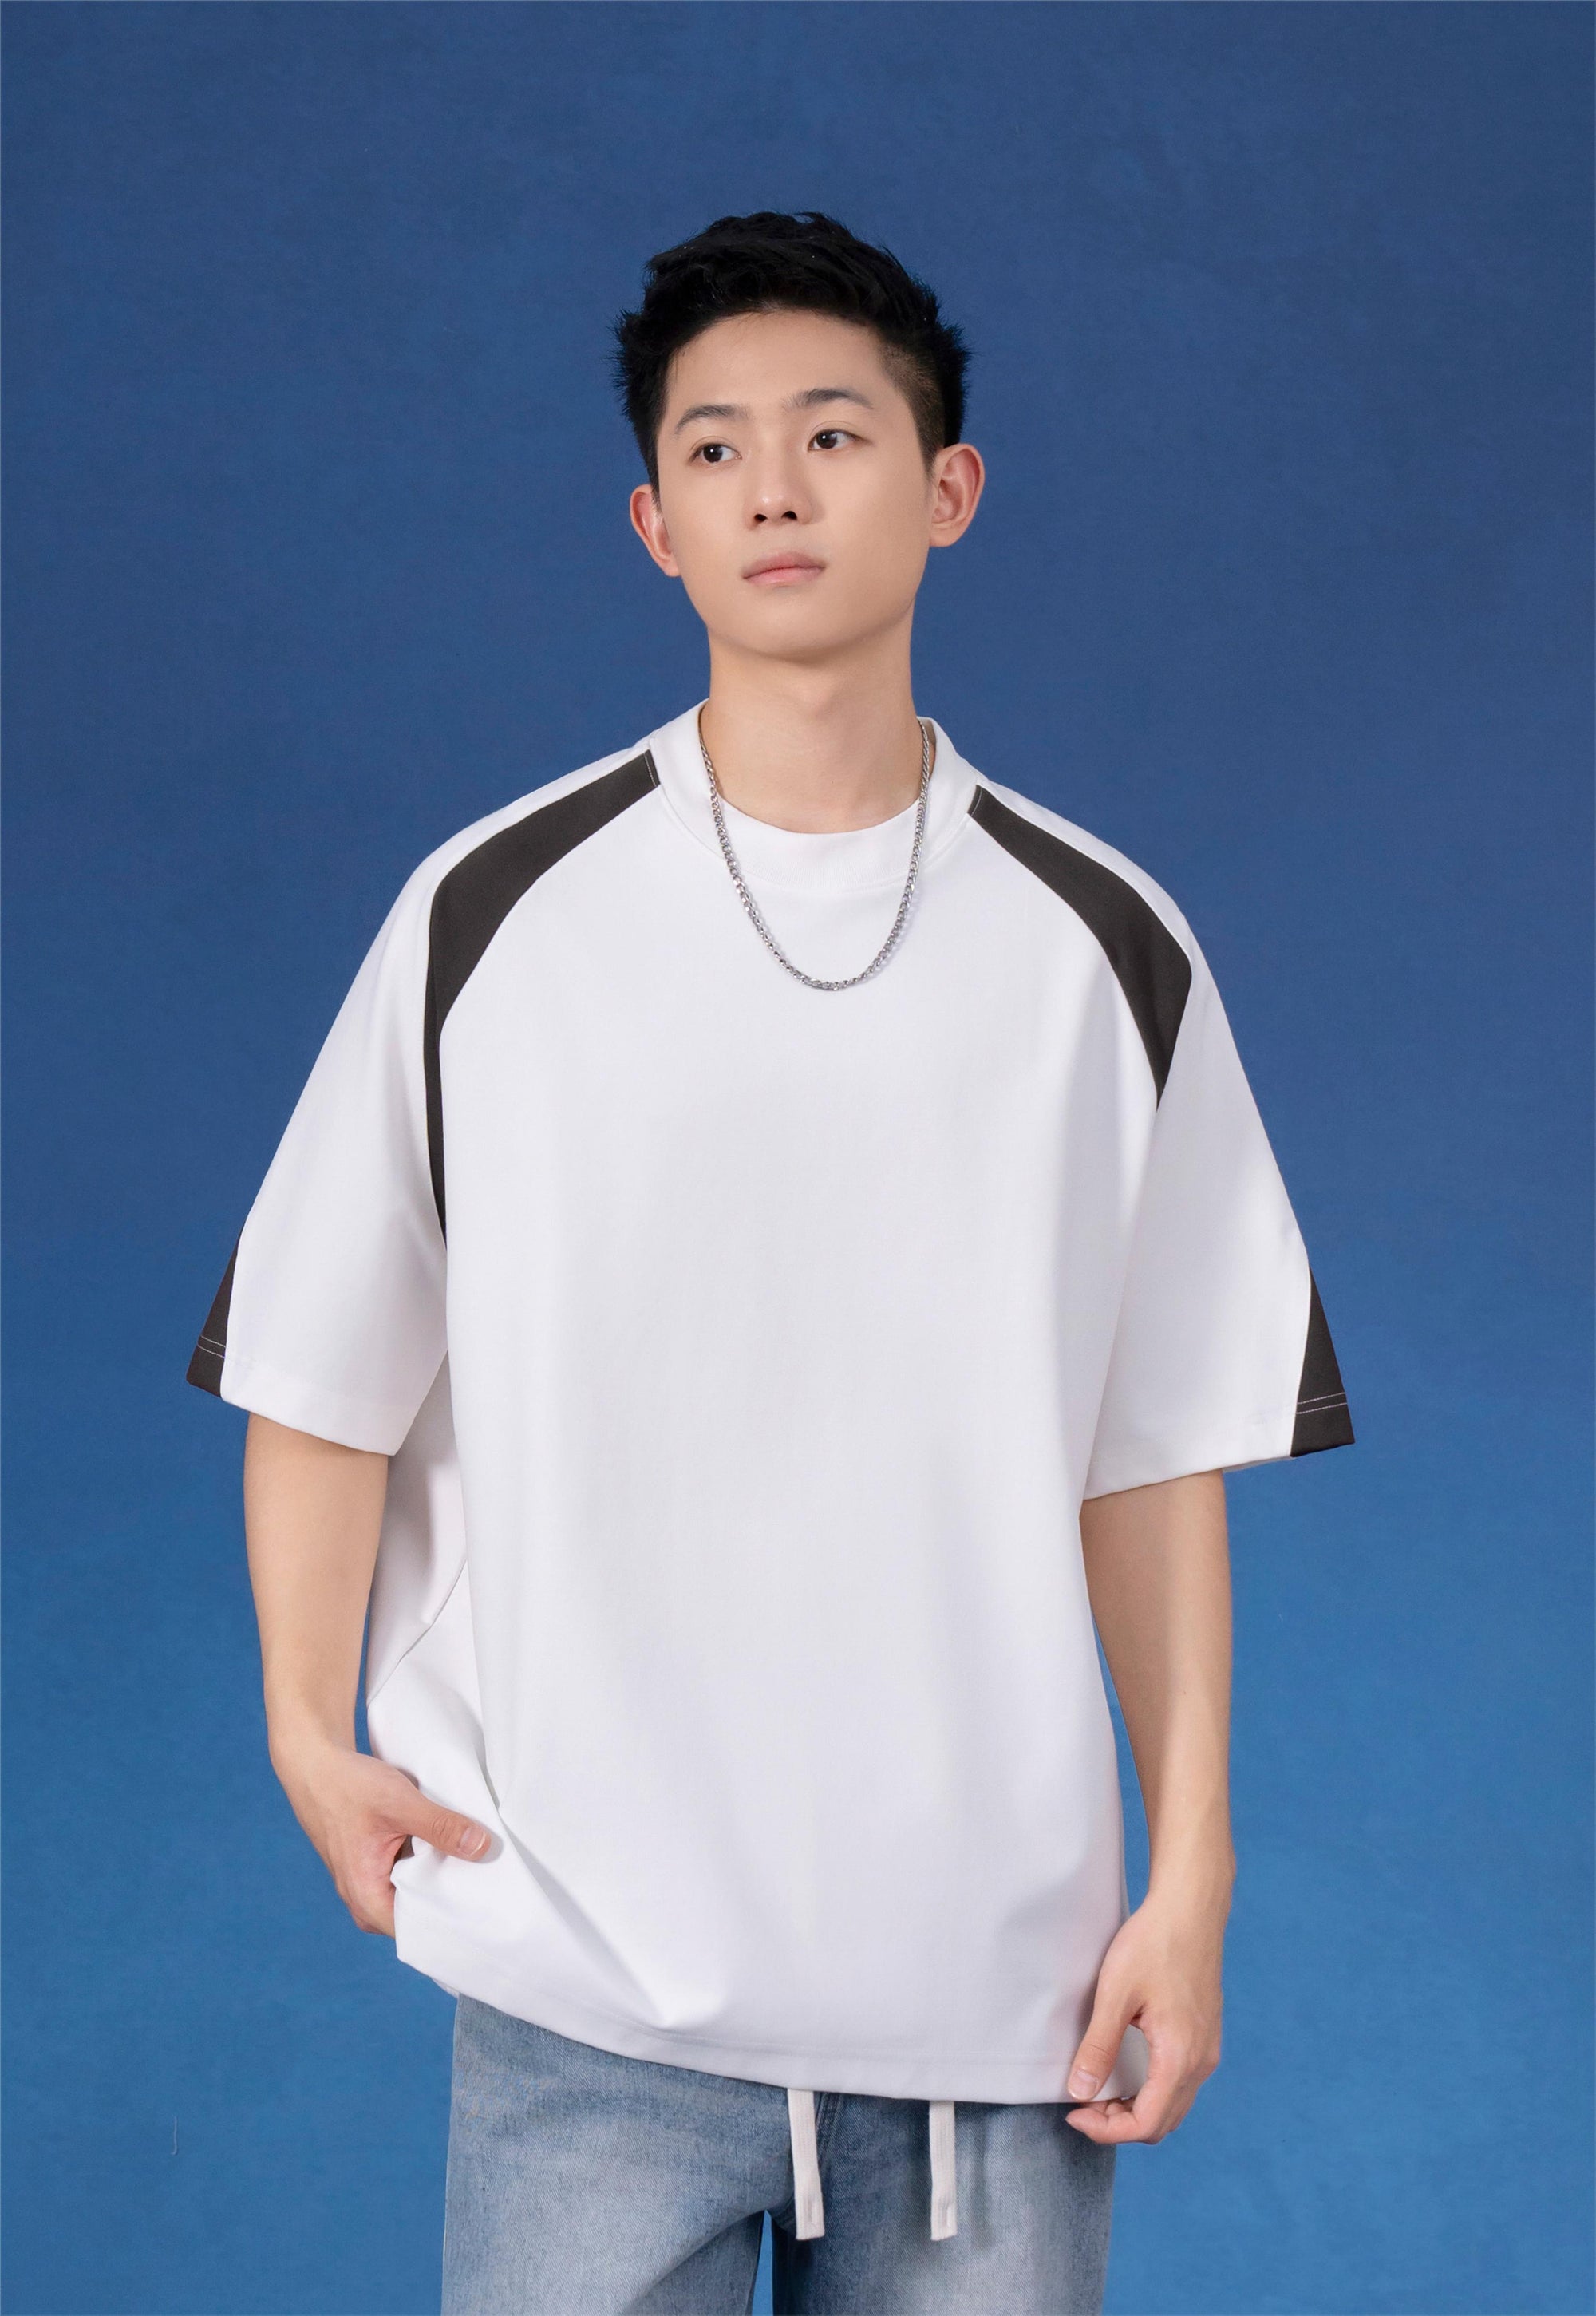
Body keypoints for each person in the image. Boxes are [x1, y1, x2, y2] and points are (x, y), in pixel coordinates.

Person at [187, 210, 1353, 2315]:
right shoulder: (494, 916)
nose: (774, 488)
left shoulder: (1102, 949)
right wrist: (301, 1726)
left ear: (948, 487)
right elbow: (323, 1363)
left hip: (1000, 2014)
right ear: (655, 526)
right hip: (583, 1985)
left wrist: (1192, 1880)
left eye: (833, 433)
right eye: (714, 450)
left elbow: (1151, 1449)